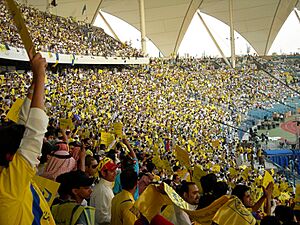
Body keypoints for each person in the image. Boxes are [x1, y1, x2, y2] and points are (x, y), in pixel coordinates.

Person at [0, 50, 56, 224]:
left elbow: (26, 127)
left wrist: (34, 83)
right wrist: (40, 76)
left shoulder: (9, 175)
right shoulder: (7, 188)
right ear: (11, 156)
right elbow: (34, 131)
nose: (37, 157)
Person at [90, 157, 117, 225]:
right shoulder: (102, 191)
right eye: (112, 171)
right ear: (103, 173)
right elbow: (102, 219)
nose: (115, 173)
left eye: (115, 170)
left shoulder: (105, 188)